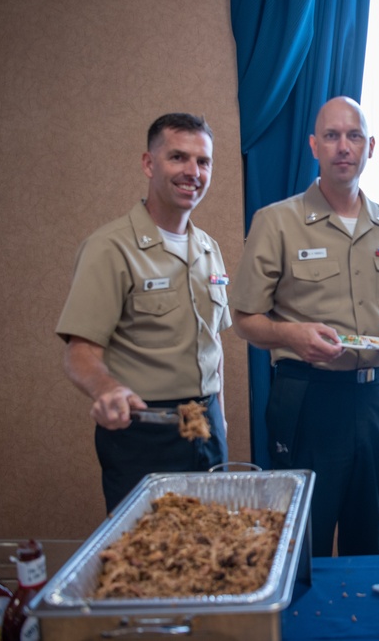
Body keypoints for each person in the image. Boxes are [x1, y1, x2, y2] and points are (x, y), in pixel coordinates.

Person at [229, 96, 379, 557]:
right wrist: (290, 335)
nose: (344, 146)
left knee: (369, 537)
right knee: (305, 544)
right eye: (333, 136)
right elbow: (244, 319)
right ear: (313, 145)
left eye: (354, 136)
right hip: (307, 398)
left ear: (370, 147)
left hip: (375, 397)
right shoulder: (277, 221)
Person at [56, 113, 230, 514]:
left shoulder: (208, 248)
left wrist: (220, 418)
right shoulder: (110, 248)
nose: (193, 172)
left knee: (214, 550)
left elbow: (213, 345)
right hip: (145, 431)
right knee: (153, 560)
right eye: (178, 158)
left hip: (207, 428)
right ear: (149, 164)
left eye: (203, 162)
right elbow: (80, 351)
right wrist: (106, 389)